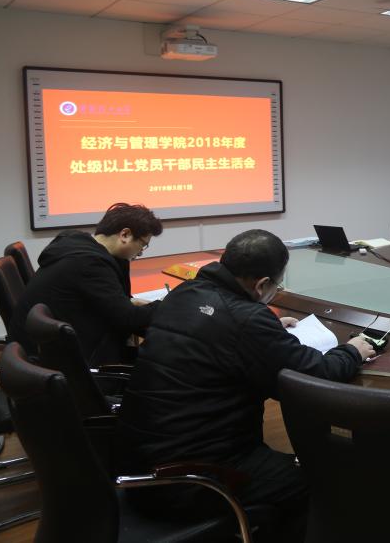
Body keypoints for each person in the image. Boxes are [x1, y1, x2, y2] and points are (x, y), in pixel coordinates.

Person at [118, 229, 374, 542]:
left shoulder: (185, 292)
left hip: (137, 463)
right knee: (323, 478)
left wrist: (268, 332)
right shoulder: (247, 320)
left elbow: (216, 329)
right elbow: (314, 375)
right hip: (190, 478)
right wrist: (352, 351)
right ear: (262, 284)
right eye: (277, 285)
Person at [10, 202, 163, 365]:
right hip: (63, 360)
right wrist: (170, 305)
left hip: (45, 346)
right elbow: (127, 318)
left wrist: (130, 302)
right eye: (143, 245)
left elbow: (110, 302)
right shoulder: (90, 263)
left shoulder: (76, 244)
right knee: (159, 360)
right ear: (125, 235)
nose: (140, 252)